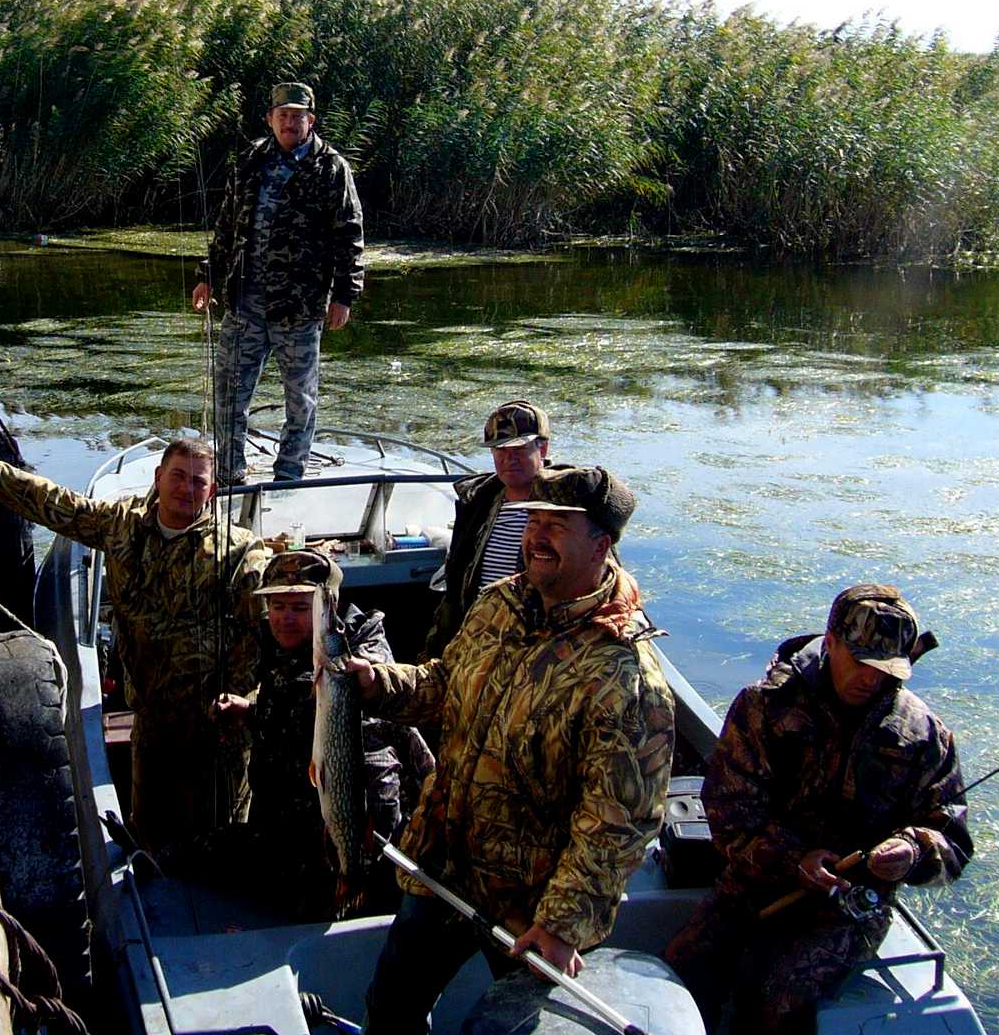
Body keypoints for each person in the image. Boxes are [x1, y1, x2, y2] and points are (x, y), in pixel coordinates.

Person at [345, 469, 673, 1035]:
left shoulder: (623, 675)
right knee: (391, 1007)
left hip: (531, 907)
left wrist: (564, 924)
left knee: (513, 1027)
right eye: (534, 520)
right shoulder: (500, 604)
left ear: (601, 544)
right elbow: (446, 685)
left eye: (558, 526)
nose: (537, 536)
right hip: (443, 864)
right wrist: (379, 685)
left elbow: (618, 823)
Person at [663, 583, 973, 1035]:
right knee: (683, 970)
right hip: (753, 885)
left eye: (885, 667)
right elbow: (729, 810)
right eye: (860, 660)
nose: (871, 676)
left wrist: (912, 850)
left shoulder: (922, 735)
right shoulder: (764, 707)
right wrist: (795, 861)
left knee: (777, 994)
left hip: (849, 909)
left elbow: (952, 837)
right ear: (830, 643)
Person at [0, 437, 271, 852]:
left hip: (218, 731)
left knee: (222, 845)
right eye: (177, 476)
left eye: (198, 482)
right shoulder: (122, 525)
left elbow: (272, 619)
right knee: (152, 835)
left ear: (211, 491)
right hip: (151, 720)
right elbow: (54, 504)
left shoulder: (239, 550)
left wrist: (250, 702)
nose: (186, 489)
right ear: (158, 478)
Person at [212, 549, 423, 918]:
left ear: (331, 607)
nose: (285, 619)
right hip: (286, 814)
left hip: (349, 816)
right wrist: (250, 712)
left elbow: (345, 703)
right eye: (278, 606)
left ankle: (355, 887)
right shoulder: (276, 644)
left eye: (300, 607)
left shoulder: (361, 646)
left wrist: (351, 675)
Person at [191, 81, 364, 486]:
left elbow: (350, 236)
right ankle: (231, 473)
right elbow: (227, 225)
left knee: (300, 399)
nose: (289, 122)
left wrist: (344, 295)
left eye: (297, 116)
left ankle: (289, 473)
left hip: (300, 307)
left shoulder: (332, 167)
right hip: (245, 301)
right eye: (282, 115)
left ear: (310, 120)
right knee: (229, 394)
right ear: (271, 119)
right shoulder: (251, 160)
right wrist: (208, 277)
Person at [423, 400, 600, 658]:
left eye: (519, 448)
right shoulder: (477, 503)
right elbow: (455, 592)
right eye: (499, 450)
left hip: (533, 651)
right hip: (473, 642)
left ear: (544, 447)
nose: (509, 458)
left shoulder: (572, 510)